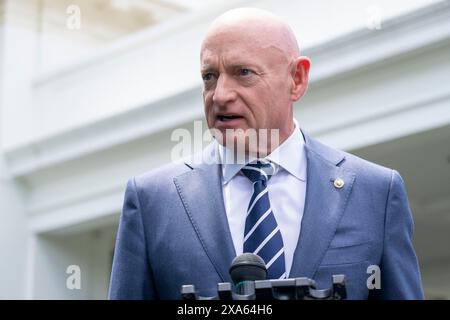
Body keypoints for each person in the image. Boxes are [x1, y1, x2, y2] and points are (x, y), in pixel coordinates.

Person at [108, 8, 424, 300]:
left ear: (297, 79)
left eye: (243, 72)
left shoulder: (376, 193)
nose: (220, 95)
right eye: (209, 76)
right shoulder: (151, 201)